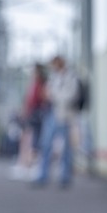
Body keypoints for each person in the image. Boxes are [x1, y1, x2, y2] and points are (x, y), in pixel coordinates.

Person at [33, 55, 77, 189]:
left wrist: (54, 95)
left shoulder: (70, 77)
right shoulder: (53, 77)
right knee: (45, 144)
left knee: (65, 147)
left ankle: (65, 176)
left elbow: (72, 95)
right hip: (51, 113)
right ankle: (43, 175)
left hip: (64, 114)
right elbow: (47, 92)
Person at [14, 62, 48, 180]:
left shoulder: (40, 85)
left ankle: (33, 166)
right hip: (31, 115)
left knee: (34, 141)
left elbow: (39, 100)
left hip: (36, 115)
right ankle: (25, 166)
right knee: (27, 140)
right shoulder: (33, 84)